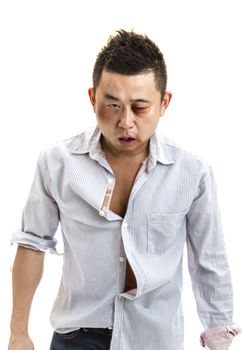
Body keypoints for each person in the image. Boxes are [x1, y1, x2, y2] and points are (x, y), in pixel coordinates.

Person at [8, 29, 241, 350]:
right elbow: (32, 244)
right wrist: (18, 333)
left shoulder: (192, 172)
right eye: (113, 105)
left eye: (140, 107)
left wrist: (219, 341)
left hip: (154, 339)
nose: (125, 122)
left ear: (164, 103)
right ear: (93, 98)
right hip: (77, 338)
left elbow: (209, 261)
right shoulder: (56, 163)